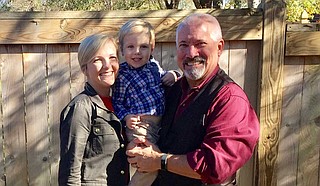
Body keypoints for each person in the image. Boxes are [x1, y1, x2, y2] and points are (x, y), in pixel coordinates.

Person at [126, 13, 260, 186]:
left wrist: (161, 161)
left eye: (200, 44)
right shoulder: (171, 90)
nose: (191, 53)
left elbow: (215, 166)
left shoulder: (229, 99)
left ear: (219, 48)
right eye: (184, 45)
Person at [112, 19, 180, 186]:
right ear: (121, 49)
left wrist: (174, 74)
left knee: (157, 160)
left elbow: (166, 76)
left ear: (152, 48)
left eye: (143, 47)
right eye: (130, 47)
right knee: (148, 162)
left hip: (160, 124)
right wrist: (126, 116)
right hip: (139, 125)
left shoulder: (153, 66)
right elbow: (117, 102)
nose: (137, 52)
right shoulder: (122, 74)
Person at [58, 34, 129, 186]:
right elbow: (70, 172)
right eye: (98, 60)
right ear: (85, 69)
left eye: (112, 58)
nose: (107, 66)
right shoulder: (81, 107)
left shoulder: (120, 104)